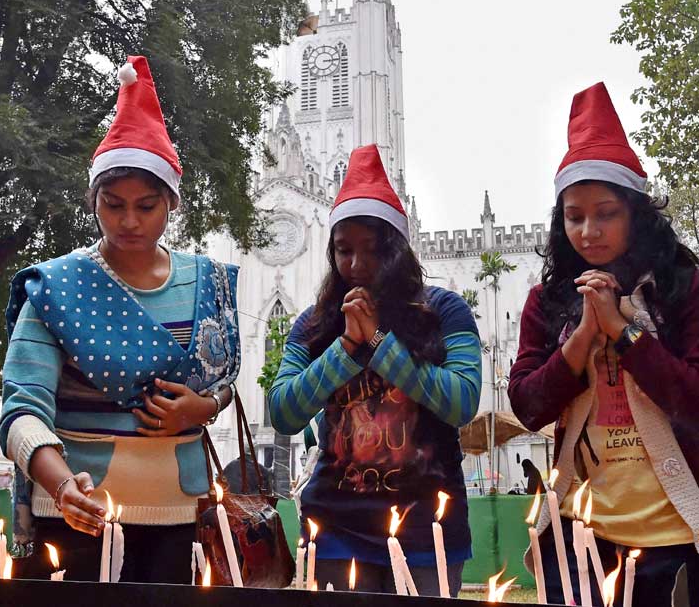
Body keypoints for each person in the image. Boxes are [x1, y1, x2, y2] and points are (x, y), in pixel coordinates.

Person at [0, 56, 240, 583]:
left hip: (178, 519)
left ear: (171, 203)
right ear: (93, 202)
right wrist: (62, 484)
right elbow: (19, 410)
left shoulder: (208, 282)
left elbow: (221, 382)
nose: (129, 221)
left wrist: (204, 406)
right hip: (74, 517)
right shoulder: (58, 288)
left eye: (146, 205)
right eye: (113, 204)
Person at [509, 83, 699, 607]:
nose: (589, 231)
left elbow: (693, 398)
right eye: (574, 216)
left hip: (675, 538)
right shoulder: (547, 302)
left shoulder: (684, 287)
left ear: (637, 213)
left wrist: (623, 332)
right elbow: (526, 404)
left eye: (607, 213)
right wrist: (583, 339)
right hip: (580, 536)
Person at [268, 145, 482, 595]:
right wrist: (345, 346)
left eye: (372, 250)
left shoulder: (445, 311)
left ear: (399, 251)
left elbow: (462, 400)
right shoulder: (314, 323)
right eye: (344, 250)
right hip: (335, 531)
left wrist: (381, 344)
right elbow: (284, 411)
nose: (356, 265)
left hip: (427, 530)